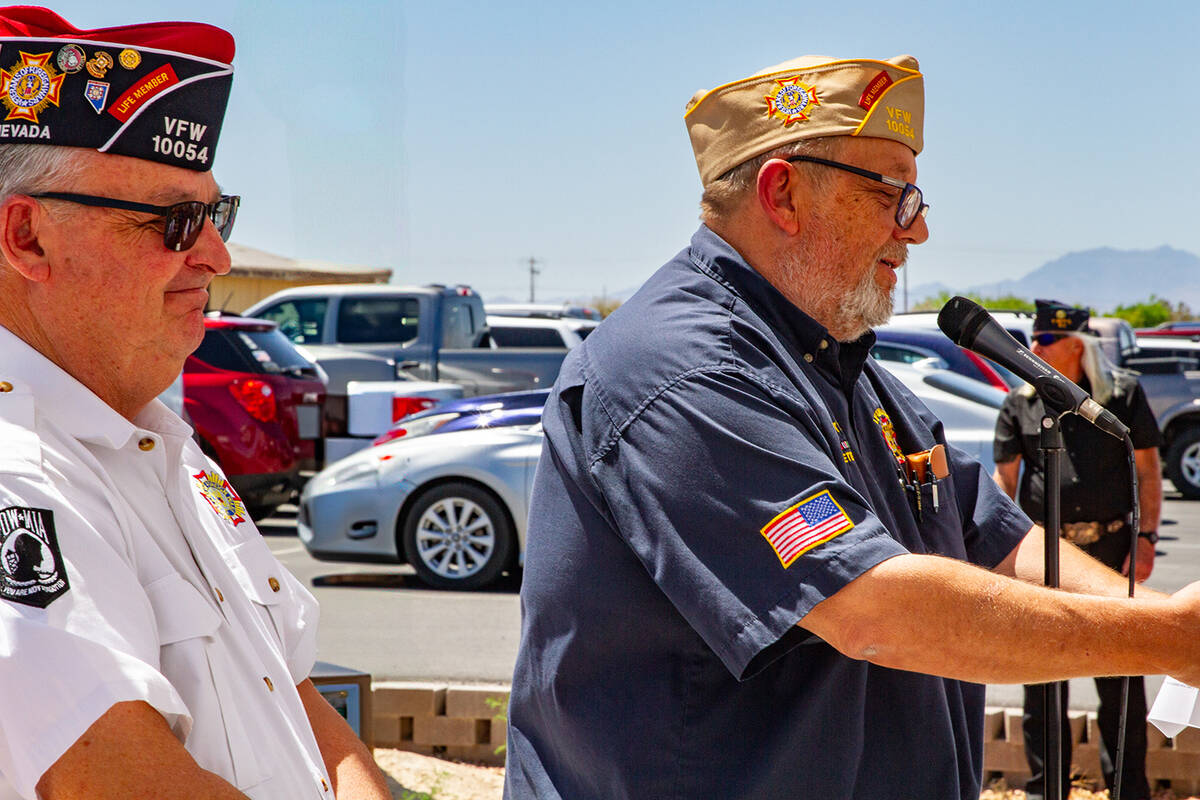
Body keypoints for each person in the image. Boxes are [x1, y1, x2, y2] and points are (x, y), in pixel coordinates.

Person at [504, 53, 1200, 800]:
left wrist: (1165, 623)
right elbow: (874, 608)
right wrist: (1169, 641)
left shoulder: (845, 369)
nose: (919, 228)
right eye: (895, 194)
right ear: (783, 193)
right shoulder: (679, 370)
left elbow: (994, 540)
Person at [0, 8, 389, 799]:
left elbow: (293, 695)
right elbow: (121, 780)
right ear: (27, 238)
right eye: (175, 222)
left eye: (217, 215)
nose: (215, 254)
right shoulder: (17, 471)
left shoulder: (161, 448)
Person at [993, 299, 1163, 800]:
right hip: (1046, 556)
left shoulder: (1121, 395)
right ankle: (1048, 789)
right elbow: (1005, 483)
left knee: (1121, 682)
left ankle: (1127, 790)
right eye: (1034, 338)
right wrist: (1006, 555)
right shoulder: (1020, 402)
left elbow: (1149, 471)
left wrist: (1146, 538)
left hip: (1111, 548)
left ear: (1075, 345)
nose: (1034, 348)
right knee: (1041, 683)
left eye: (1044, 341)